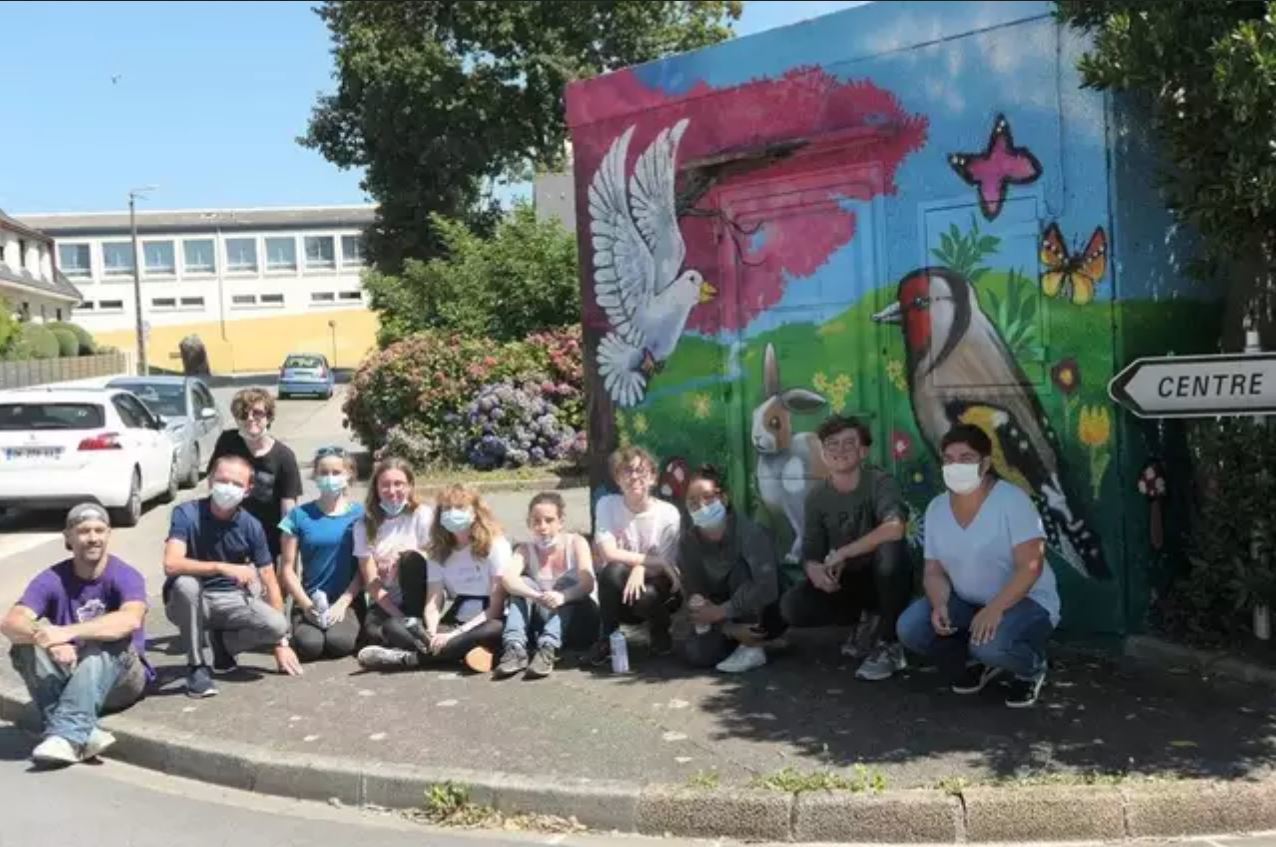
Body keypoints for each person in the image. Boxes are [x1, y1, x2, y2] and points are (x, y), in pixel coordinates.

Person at [896, 424, 1057, 708]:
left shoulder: (1012, 501)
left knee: (990, 646)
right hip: (968, 603)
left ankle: (1031, 667)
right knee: (912, 628)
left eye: (966, 458)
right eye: (948, 459)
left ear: (985, 463)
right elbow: (933, 570)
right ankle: (978, 662)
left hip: (1027, 601)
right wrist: (940, 604)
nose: (955, 465)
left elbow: (1031, 567)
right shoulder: (936, 508)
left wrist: (995, 609)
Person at [1, 504, 149, 766]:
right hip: (72, 673)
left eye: (99, 530)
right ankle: (81, 735)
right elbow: (12, 622)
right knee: (24, 646)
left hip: (121, 680)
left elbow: (129, 620)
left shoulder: (125, 575)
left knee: (107, 642)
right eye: (83, 531)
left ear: (108, 534)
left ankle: (66, 734)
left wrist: (65, 633)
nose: (92, 538)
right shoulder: (52, 578)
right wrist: (45, 640)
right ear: (68, 537)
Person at [780, 415, 911, 682]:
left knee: (890, 552)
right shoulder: (817, 496)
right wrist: (816, 571)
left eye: (849, 443)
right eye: (832, 443)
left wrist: (843, 553)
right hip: (850, 580)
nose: (840, 450)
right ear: (823, 452)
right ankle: (866, 622)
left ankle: (889, 644)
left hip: (887, 579)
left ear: (863, 451)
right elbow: (811, 550)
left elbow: (895, 527)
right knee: (793, 606)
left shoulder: (880, 482)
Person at [164, 454, 295, 698]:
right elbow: (171, 564)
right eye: (223, 480)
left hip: (232, 599)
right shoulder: (186, 513)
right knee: (185, 584)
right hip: (191, 601)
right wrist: (222, 567)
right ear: (210, 481)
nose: (228, 488)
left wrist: (281, 642)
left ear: (247, 490)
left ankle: (222, 644)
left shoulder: (251, 525)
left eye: (237, 484)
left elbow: (269, 578)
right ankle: (196, 667)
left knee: (277, 625)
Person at [358, 485, 507, 673]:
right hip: (454, 619)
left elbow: (495, 608)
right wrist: (432, 632)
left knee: (494, 628)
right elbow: (433, 602)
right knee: (393, 626)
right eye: (446, 509)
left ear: (476, 512)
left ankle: (409, 659)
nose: (452, 513)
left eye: (460, 507)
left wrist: (453, 635)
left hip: (485, 619)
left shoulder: (495, 545)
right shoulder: (439, 551)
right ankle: (457, 652)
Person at [678, 466, 785, 674]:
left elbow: (767, 587)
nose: (701, 506)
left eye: (708, 497)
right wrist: (727, 627)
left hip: (764, 609)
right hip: (721, 617)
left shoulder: (751, 532)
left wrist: (721, 612)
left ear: (724, 498)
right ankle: (740, 640)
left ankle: (754, 646)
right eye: (693, 501)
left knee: (740, 570)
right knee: (696, 654)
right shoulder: (688, 543)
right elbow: (694, 593)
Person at [586, 446, 683, 667]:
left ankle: (660, 632)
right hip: (620, 591)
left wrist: (641, 568)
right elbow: (608, 553)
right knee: (612, 571)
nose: (634, 476)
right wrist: (649, 561)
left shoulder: (668, 513)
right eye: (627, 471)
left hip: (659, 591)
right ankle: (607, 639)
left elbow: (666, 565)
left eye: (641, 470)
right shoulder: (606, 505)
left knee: (647, 593)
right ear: (617, 479)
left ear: (653, 477)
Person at [494, 492, 598, 680]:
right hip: (544, 617)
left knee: (565, 583)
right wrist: (535, 595)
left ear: (561, 521)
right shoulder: (525, 549)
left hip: (579, 619)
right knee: (522, 584)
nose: (542, 527)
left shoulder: (576, 542)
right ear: (529, 523)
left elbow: (587, 583)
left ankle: (548, 647)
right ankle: (515, 647)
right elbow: (508, 579)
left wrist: (563, 596)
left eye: (549, 520)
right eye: (536, 521)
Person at [277, 447, 366, 662]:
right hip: (310, 600)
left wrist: (344, 603)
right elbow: (287, 568)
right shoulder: (298, 516)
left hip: (347, 600)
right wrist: (306, 605)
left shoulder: (360, 515)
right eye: (324, 473)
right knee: (310, 646)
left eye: (336, 472)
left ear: (348, 475)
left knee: (339, 643)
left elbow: (365, 568)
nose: (330, 478)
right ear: (315, 476)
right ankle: (301, 622)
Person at [207, 387, 303, 563]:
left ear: (269, 416)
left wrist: (288, 561)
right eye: (243, 414)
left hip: (266, 545)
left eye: (257, 413)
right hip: (226, 539)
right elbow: (212, 481)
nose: (250, 418)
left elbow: (289, 512)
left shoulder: (284, 457)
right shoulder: (228, 442)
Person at [352, 457, 434, 653]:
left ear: (410, 486)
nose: (392, 490)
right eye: (385, 485)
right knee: (375, 633)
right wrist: (398, 616)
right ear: (376, 488)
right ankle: (418, 647)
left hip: (417, 598)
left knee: (410, 558)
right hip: (386, 601)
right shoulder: (364, 524)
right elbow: (371, 582)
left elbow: (435, 558)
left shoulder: (421, 514)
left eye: (399, 484)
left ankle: (416, 628)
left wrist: (401, 556)